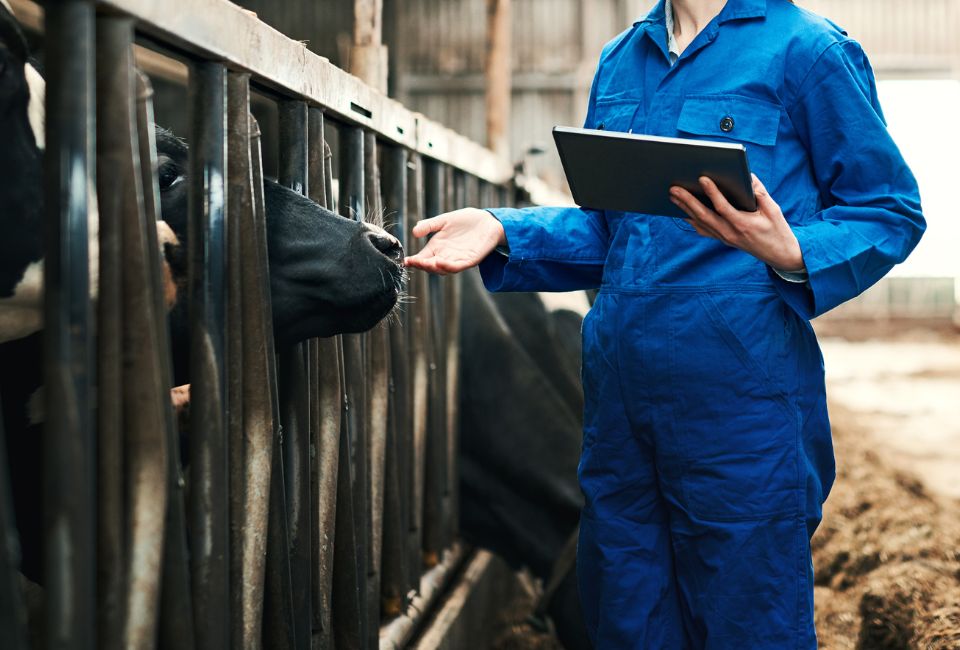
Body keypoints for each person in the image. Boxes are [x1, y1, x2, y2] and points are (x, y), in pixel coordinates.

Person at [404, 0, 925, 647]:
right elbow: (609, 232)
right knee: (626, 621)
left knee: (747, 623)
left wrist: (792, 251)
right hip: (621, 414)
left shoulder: (807, 51)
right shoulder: (622, 60)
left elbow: (889, 210)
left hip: (740, 410)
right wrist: (503, 227)